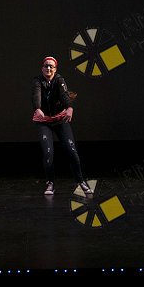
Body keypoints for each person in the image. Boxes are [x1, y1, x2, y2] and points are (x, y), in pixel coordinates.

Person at [31, 56, 92, 196]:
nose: (48, 68)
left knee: (72, 150)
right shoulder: (37, 81)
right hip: (43, 121)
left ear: (55, 69)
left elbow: (64, 95)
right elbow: (36, 94)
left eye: (51, 66)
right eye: (46, 66)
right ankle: (50, 183)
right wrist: (37, 108)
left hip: (60, 120)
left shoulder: (59, 80)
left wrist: (69, 107)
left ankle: (80, 181)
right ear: (42, 68)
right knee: (48, 153)